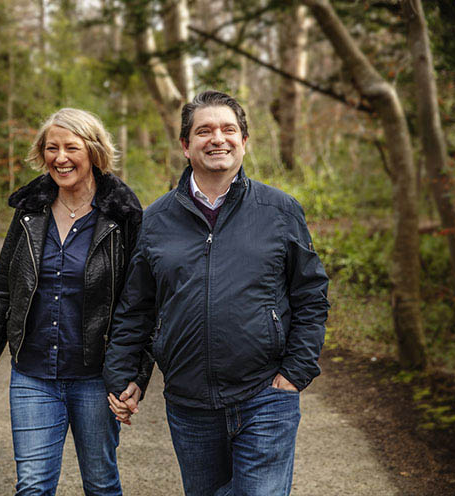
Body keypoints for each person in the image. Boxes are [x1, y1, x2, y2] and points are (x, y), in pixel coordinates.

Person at [103, 90, 329, 496]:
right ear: (186, 146)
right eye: (204, 131)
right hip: (189, 402)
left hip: (265, 393)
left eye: (228, 129)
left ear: (244, 141)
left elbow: (310, 294)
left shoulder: (280, 211)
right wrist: (123, 375)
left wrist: (295, 373)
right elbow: (136, 307)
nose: (217, 138)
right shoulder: (155, 220)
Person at [0, 108, 153, 496]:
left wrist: (137, 374)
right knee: (32, 487)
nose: (60, 157)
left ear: (93, 151)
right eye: (52, 148)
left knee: (100, 484)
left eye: (71, 147)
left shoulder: (123, 216)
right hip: (32, 373)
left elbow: (144, 304)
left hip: (97, 377)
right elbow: (3, 292)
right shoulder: (30, 212)